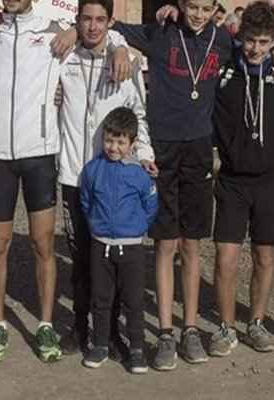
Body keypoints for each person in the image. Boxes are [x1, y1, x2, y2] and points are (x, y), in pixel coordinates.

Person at [0, 0, 129, 363]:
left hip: (39, 155)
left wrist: (119, 46)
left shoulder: (55, 36)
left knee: (41, 243)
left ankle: (47, 325)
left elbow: (99, 34)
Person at [114, 0, 233, 370]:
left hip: (200, 148)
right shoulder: (160, 32)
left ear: (215, 8)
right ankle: (165, 333)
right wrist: (117, 48)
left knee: (192, 244)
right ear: (180, 4)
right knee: (165, 243)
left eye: (206, 9)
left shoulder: (224, 39)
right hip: (163, 148)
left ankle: (189, 329)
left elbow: (261, 44)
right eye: (192, 7)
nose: (198, 16)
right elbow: (113, 29)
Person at [56, 0, 156, 358]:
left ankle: (110, 332)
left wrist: (143, 155)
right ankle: (80, 328)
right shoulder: (63, 58)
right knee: (82, 260)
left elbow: (139, 116)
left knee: (111, 261)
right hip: (73, 176)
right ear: (77, 20)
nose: (93, 26)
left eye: (101, 20)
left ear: (111, 22)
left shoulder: (125, 62)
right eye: (86, 18)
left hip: (112, 179)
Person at [209, 0, 274, 357]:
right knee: (225, 258)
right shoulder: (225, 72)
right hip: (232, 180)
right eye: (250, 40)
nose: (256, 49)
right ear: (240, 37)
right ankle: (226, 328)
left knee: (264, 257)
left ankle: (255, 323)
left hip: (269, 179)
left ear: (273, 40)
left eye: (264, 41)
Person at [79, 107, 158, 374]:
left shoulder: (139, 174)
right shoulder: (92, 170)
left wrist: (136, 228)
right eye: (109, 140)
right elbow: (86, 201)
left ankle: (137, 348)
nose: (114, 147)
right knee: (101, 299)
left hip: (132, 247)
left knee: (134, 301)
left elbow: (150, 204)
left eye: (121, 142)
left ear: (132, 143)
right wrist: (95, 226)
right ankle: (100, 343)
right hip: (100, 245)